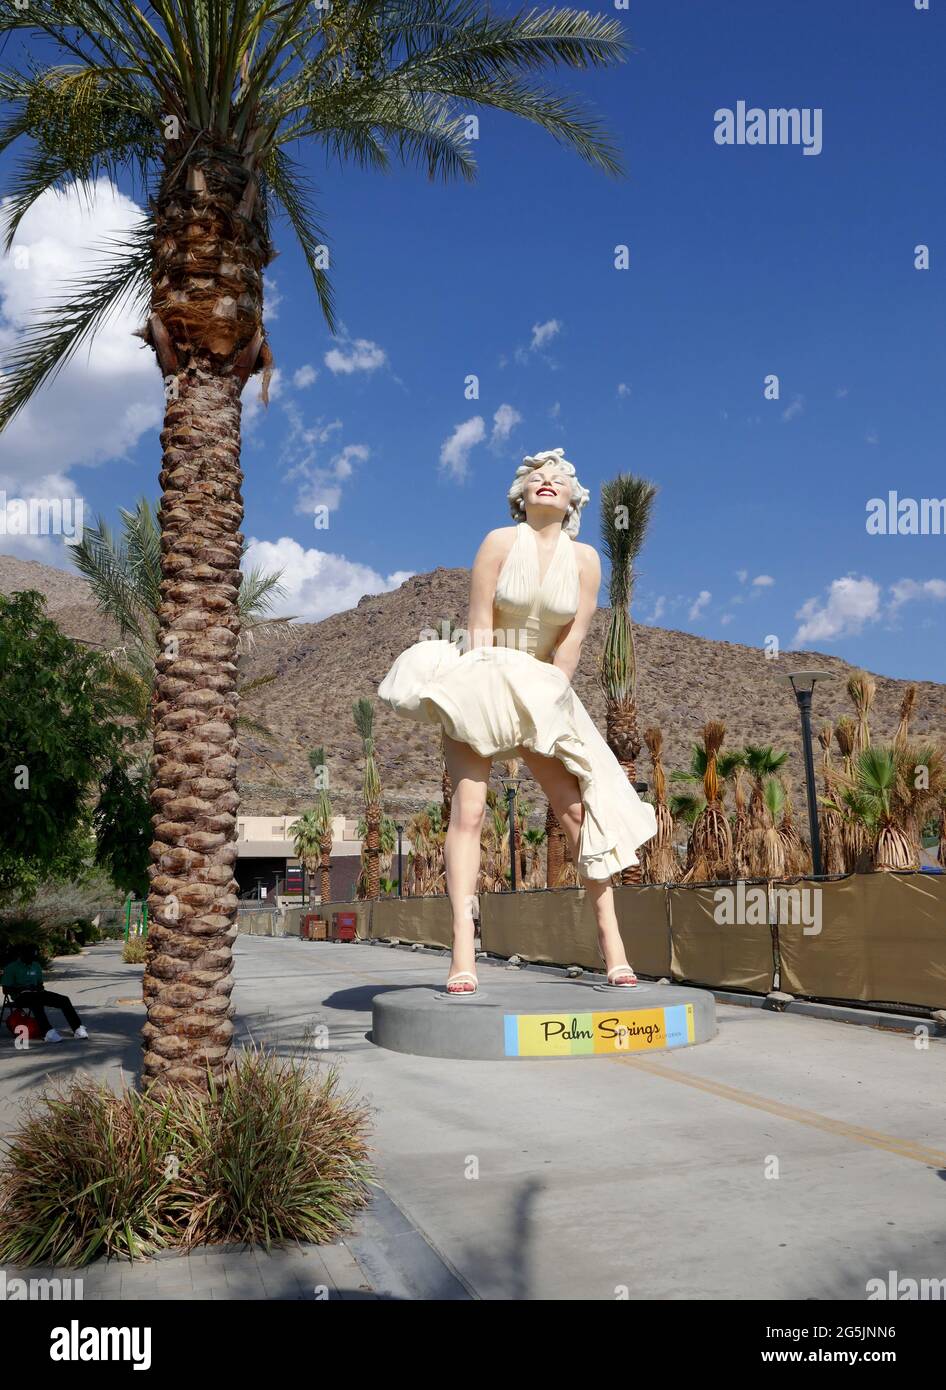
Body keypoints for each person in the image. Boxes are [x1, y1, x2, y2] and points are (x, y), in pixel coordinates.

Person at [378, 448, 658, 994]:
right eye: (536, 478)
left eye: (558, 479)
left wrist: (551, 694)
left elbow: (572, 644)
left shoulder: (586, 561)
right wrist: (485, 691)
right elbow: (479, 627)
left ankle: (613, 944)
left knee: (579, 814)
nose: (547, 482)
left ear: (574, 499)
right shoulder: (498, 544)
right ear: (520, 495)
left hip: (542, 687)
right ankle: (463, 944)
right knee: (471, 810)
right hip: (484, 677)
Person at [2, 943, 88, 1042]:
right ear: (22, 954)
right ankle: (47, 1032)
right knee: (36, 1002)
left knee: (64, 1000)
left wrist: (38, 987)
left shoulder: (36, 965)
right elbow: (6, 989)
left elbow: (40, 984)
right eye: (29, 956)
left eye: (33, 956)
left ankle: (77, 1028)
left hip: (37, 993)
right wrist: (22, 988)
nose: (32, 959)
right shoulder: (12, 967)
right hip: (20, 996)